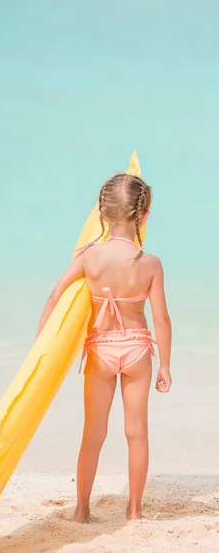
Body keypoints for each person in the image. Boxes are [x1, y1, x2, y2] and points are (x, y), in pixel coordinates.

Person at [35, 173, 172, 522]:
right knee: (137, 433)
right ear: (144, 216)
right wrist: (166, 366)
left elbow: (54, 298)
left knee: (93, 434)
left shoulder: (87, 257)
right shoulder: (149, 262)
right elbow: (162, 321)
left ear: (101, 213)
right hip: (139, 349)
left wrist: (40, 350)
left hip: (100, 350)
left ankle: (81, 511)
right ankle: (134, 511)